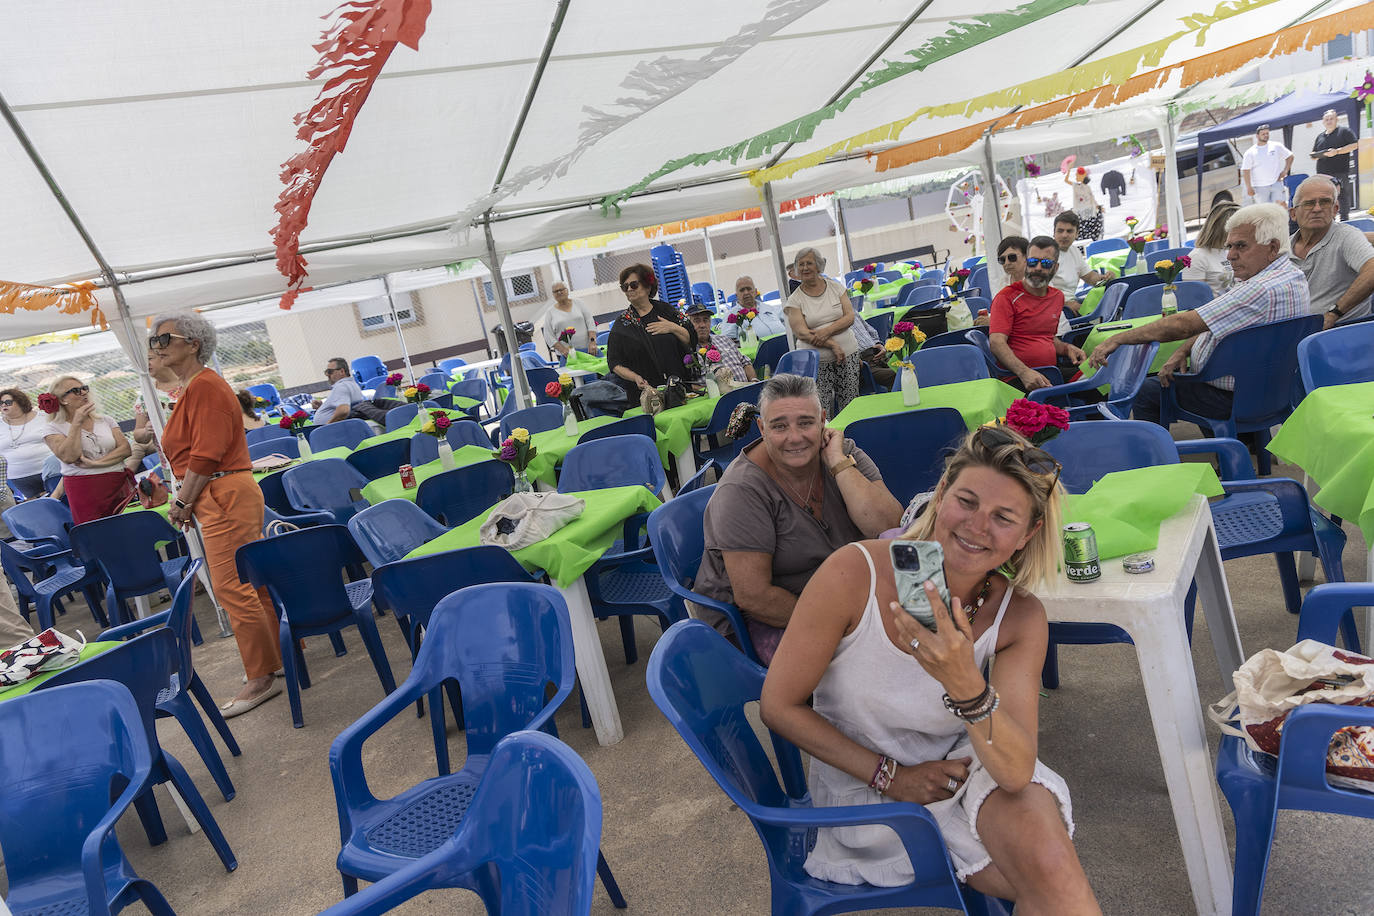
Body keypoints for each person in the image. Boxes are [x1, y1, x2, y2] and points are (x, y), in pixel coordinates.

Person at [760, 425, 1098, 912]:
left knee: (1048, 867)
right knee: (1049, 886)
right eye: (967, 501)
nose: (977, 526)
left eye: (1003, 517)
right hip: (869, 783)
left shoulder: (1018, 616)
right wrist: (890, 776)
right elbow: (778, 705)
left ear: (1026, 536)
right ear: (940, 495)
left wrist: (964, 682)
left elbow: (1015, 771)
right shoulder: (854, 572)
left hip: (971, 768)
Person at [695, 374, 902, 664]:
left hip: (843, 593)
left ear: (823, 420)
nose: (794, 437)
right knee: (870, 663)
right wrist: (844, 625)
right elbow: (755, 598)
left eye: (805, 423)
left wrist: (839, 465)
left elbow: (890, 527)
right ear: (762, 428)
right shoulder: (742, 490)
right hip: (766, 617)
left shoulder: (843, 453)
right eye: (779, 426)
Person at [149, 311, 283, 717]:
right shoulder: (196, 387)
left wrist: (183, 502)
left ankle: (261, 677)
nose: (157, 345)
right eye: (154, 340)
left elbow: (205, 456)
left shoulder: (205, 385)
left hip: (221, 490)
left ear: (192, 343)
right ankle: (276, 662)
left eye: (164, 338)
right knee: (248, 583)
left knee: (231, 586)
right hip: (222, 492)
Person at [1089, 203, 1309, 426]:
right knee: (1176, 377)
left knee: (1146, 391)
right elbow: (1214, 322)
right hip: (1274, 393)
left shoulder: (1257, 288)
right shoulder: (1294, 276)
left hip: (1235, 399)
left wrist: (1116, 339)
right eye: (1230, 246)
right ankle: (1232, 449)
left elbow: (1183, 325)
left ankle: (1162, 457)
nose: (1231, 255)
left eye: (1241, 246)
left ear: (1272, 248)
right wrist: (1183, 350)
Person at [988, 236, 1087, 392]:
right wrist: (1024, 372)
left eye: (1046, 263)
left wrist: (1067, 348)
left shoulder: (1057, 297)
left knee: (1102, 378)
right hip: (1018, 379)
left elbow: (1047, 338)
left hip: (1050, 374)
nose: (1038, 268)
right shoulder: (1006, 297)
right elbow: (996, 343)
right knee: (1096, 386)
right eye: (1033, 262)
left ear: (1055, 267)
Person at [41, 377, 134, 524]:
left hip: (118, 484)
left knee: (133, 530)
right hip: (85, 491)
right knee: (99, 535)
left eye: (85, 388)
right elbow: (69, 456)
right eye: (76, 391)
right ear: (63, 400)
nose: (83, 392)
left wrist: (97, 464)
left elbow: (125, 449)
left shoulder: (105, 420)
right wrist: (77, 422)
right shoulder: (52, 428)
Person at [1288, 175, 1374, 329]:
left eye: (1325, 202)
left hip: (1340, 334)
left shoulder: (1346, 236)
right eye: (1308, 203)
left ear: (1335, 209)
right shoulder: (1283, 248)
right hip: (1295, 334)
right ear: (1293, 214)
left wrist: (1334, 312)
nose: (1317, 208)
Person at [785, 247, 862, 415]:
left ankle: (850, 439)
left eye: (809, 263)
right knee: (821, 410)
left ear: (819, 266)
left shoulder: (836, 288)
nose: (805, 268)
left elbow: (849, 316)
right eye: (801, 264)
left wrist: (826, 331)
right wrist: (832, 344)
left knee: (851, 406)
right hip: (815, 364)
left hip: (848, 356)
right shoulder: (794, 300)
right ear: (797, 270)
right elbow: (802, 332)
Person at [604, 264, 697, 400]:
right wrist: (635, 377)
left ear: (648, 286)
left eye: (634, 285)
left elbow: (691, 338)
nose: (629, 289)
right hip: (648, 395)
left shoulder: (666, 310)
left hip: (680, 386)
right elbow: (614, 362)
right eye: (625, 287)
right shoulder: (622, 324)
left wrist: (672, 327)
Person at [0, 388, 52, 499]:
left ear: (20, 401)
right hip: (20, 479)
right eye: (1, 403)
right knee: (41, 509)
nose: (4, 405)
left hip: (50, 472)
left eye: (8, 402)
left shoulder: (42, 417)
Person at [1047, 213, 1113, 300]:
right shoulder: (1045, 253)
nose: (1064, 235)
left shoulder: (1074, 251)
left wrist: (1105, 278)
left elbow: (1090, 277)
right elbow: (1041, 290)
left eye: (1069, 231)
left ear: (1077, 234)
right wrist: (1065, 304)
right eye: (1060, 231)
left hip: (1071, 303)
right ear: (1054, 232)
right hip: (1054, 306)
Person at [685, 303, 756, 383]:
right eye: (696, 321)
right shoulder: (688, 351)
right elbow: (688, 384)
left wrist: (753, 380)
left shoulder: (724, 339)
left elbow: (745, 362)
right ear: (688, 325)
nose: (702, 325)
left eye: (706, 320)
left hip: (746, 389)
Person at [1181, 201, 1239, 296]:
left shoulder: (1229, 250)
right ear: (1224, 229)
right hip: (1216, 309)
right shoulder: (1197, 257)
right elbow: (1195, 299)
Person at [1311, 109, 1359, 221]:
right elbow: (1313, 153)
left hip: (1340, 171)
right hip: (1323, 174)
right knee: (1325, 198)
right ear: (1323, 122)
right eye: (1326, 119)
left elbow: (1355, 145)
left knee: (1342, 196)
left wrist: (1337, 151)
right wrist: (1317, 155)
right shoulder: (1320, 137)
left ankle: (1344, 220)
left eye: (1331, 118)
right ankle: (1329, 221)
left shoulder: (1344, 131)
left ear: (1336, 119)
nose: (1329, 121)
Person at [536, 282, 600, 357]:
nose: (559, 292)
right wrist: (562, 350)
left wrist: (592, 342)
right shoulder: (550, 312)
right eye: (556, 291)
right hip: (567, 355)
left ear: (567, 290)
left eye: (561, 289)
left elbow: (590, 323)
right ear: (553, 295)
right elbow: (548, 335)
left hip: (588, 350)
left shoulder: (579, 303)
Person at [720, 276, 788, 341]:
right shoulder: (732, 315)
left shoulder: (769, 308)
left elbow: (788, 323)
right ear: (736, 295)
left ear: (755, 292)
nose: (746, 292)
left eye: (749, 289)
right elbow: (727, 341)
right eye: (742, 290)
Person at [1240, 124, 1293, 206]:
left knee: (1281, 208)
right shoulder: (1250, 152)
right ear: (1257, 136)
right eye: (1263, 134)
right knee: (1266, 212)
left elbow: (1290, 156)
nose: (1266, 135)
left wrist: (1285, 170)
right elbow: (1246, 170)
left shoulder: (1276, 146)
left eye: (1267, 133)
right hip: (1259, 188)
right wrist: (1249, 187)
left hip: (1276, 183)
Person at [313, 357, 366, 424]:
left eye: (330, 372)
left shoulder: (341, 386)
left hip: (330, 431)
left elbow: (343, 411)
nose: (327, 375)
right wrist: (321, 407)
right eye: (326, 372)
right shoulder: (351, 384)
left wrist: (327, 426)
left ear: (342, 371)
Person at [1064, 166, 1103, 241]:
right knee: (1081, 230)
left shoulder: (1087, 187)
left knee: (1090, 230)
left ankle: (1091, 242)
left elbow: (1092, 197)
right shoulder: (1075, 185)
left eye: (1076, 175)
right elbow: (1066, 180)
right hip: (1079, 211)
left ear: (1082, 176)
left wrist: (1097, 206)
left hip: (1089, 211)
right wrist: (1068, 171)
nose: (1075, 177)